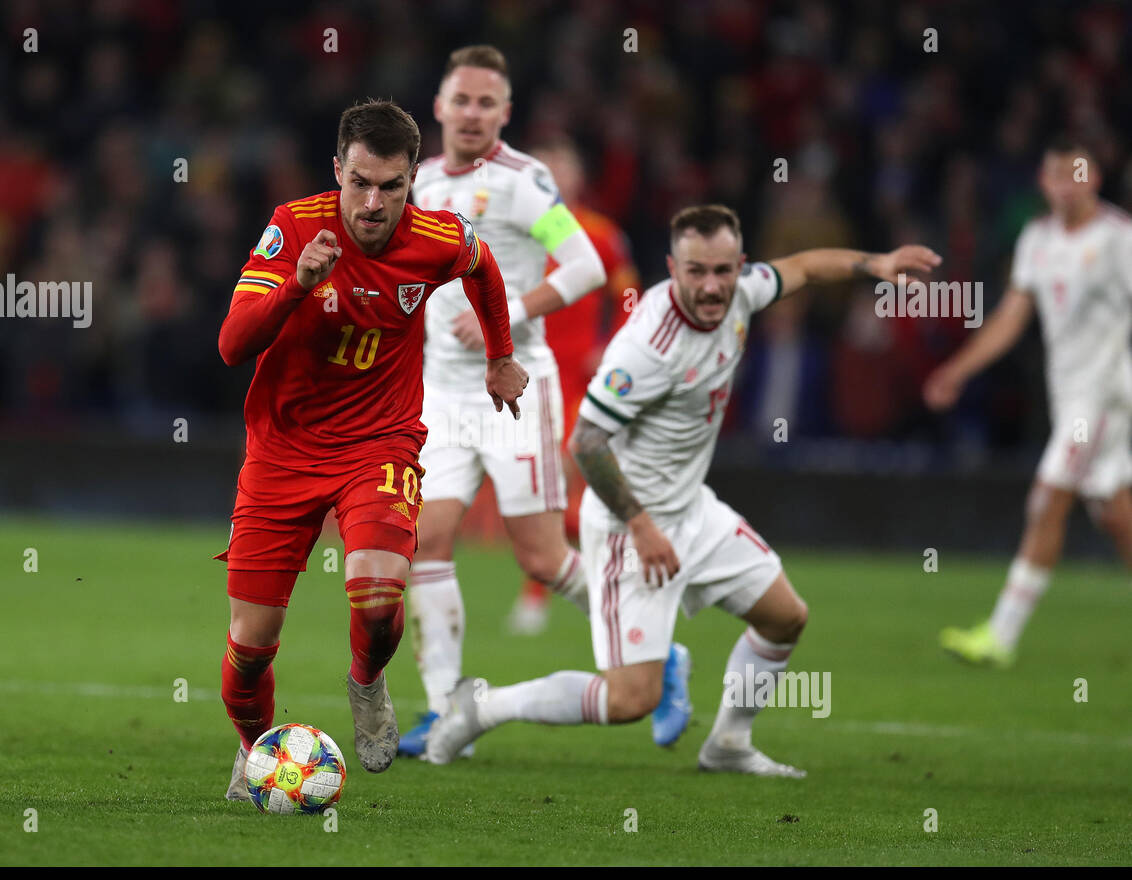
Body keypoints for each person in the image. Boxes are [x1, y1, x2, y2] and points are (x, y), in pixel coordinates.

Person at [427, 204, 939, 776]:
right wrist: (643, 529)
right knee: (630, 700)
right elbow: (587, 442)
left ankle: (727, 745)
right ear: (673, 268)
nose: (712, 285)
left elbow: (805, 266)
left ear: (740, 265)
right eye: (697, 272)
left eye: (723, 270)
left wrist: (877, 262)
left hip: (693, 509)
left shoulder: (745, 293)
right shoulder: (648, 345)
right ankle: (484, 706)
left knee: (784, 617)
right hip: (630, 527)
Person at [214, 99, 527, 798]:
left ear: (412, 179)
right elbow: (232, 345)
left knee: (380, 590)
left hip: (378, 442)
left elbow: (484, 268)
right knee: (247, 652)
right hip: (281, 451)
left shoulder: (437, 239)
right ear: (337, 171)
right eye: (359, 182)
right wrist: (296, 286)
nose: (373, 202)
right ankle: (255, 749)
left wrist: (500, 356)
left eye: (390, 186)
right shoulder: (296, 228)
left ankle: (367, 683)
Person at [399, 46, 614, 756]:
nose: (471, 113)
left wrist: (510, 311)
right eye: (461, 100)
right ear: (438, 107)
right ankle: (442, 709)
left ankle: (650, 650)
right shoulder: (420, 183)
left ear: (505, 114)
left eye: (486, 103)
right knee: (425, 539)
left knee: (543, 558)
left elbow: (585, 266)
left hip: (517, 387)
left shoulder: (526, 182)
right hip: (441, 394)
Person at [925, 139, 1132, 667]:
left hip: (1107, 394)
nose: (1065, 183)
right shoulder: (1037, 239)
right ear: (1043, 182)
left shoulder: (1117, 239)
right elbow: (1012, 316)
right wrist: (958, 369)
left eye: (1075, 174)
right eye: (1055, 174)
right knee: (1114, 512)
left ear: (1095, 180)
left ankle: (1001, 635)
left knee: (1047, 496)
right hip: (1071, 396)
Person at [506, 136, 641, 636]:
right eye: (545, 171)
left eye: (562, 170)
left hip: (577, 382)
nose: (554, 179)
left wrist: (612, 342)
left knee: (557, 484)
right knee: (534, 493)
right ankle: (622, 544)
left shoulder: (601, 234)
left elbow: (628, 294)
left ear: (579, 178)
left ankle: (537, 598)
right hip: (524, 376)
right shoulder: (519, 233)